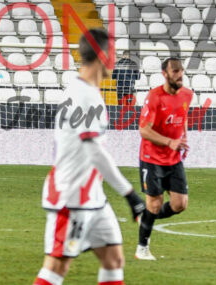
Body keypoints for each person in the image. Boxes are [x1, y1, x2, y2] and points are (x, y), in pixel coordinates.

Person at [33, 29, 146, 285]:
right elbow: (94, 151)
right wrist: (130, 195)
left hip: (93, 195)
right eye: (113, 55)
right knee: (56, 267)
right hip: (72, 195)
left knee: (114, 259)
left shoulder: (82, 89)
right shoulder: (85, 96)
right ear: (103, 56)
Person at [135, 57, 192, 261]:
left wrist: (183, 136)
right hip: (151, 157)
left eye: (181, 71)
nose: (179, 75)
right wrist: (169, 142)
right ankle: (142, 247)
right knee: (155, 203)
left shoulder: (187, 94)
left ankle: (146, 217)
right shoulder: (154, 97)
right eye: (175, 71)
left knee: (180, 204)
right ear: (165, 74)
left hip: (173, 158)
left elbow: (182, 116)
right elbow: (144, 130)